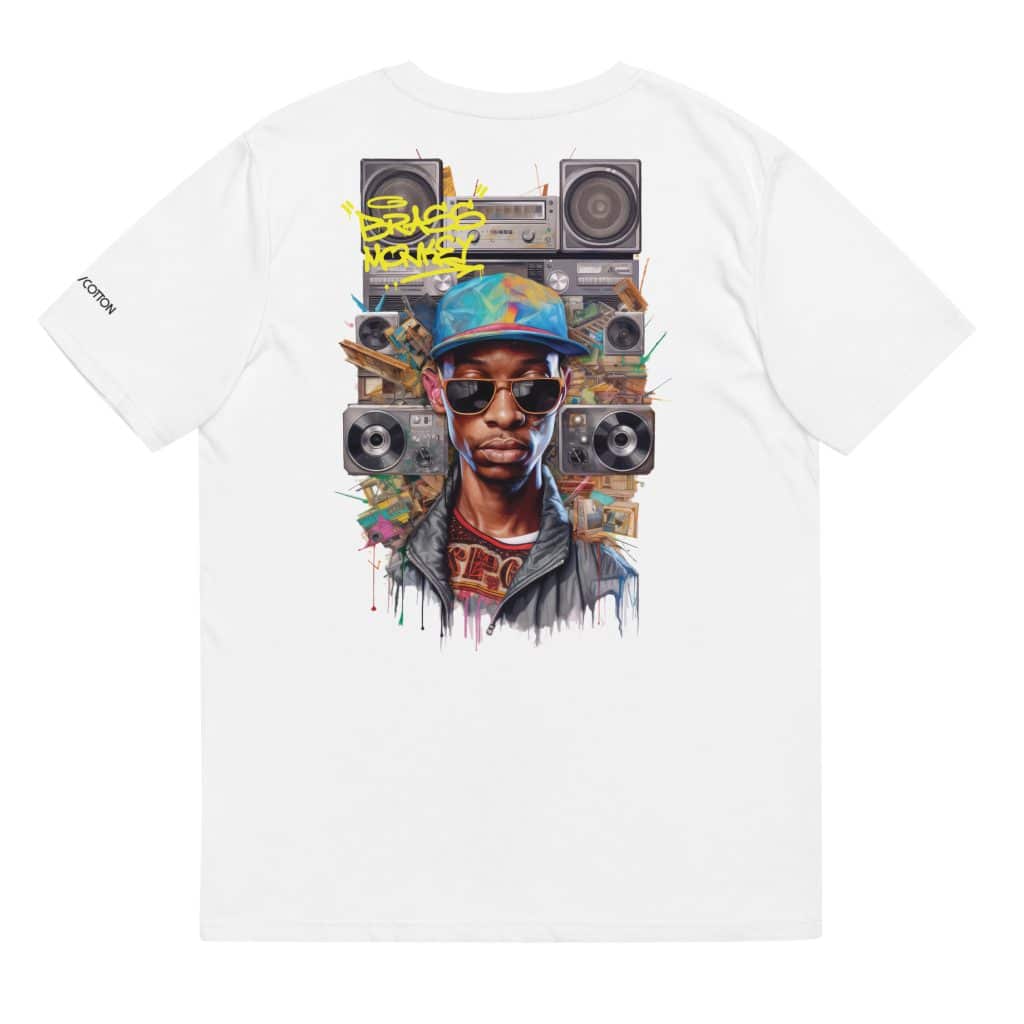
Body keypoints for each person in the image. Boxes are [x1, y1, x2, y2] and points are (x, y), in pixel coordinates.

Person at [386, 272, 639, 642]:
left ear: (563, 389)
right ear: (436, 392)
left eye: (533, 388)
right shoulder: (392, 577)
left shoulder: (611, 586)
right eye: (472, 389)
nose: (505, 415)